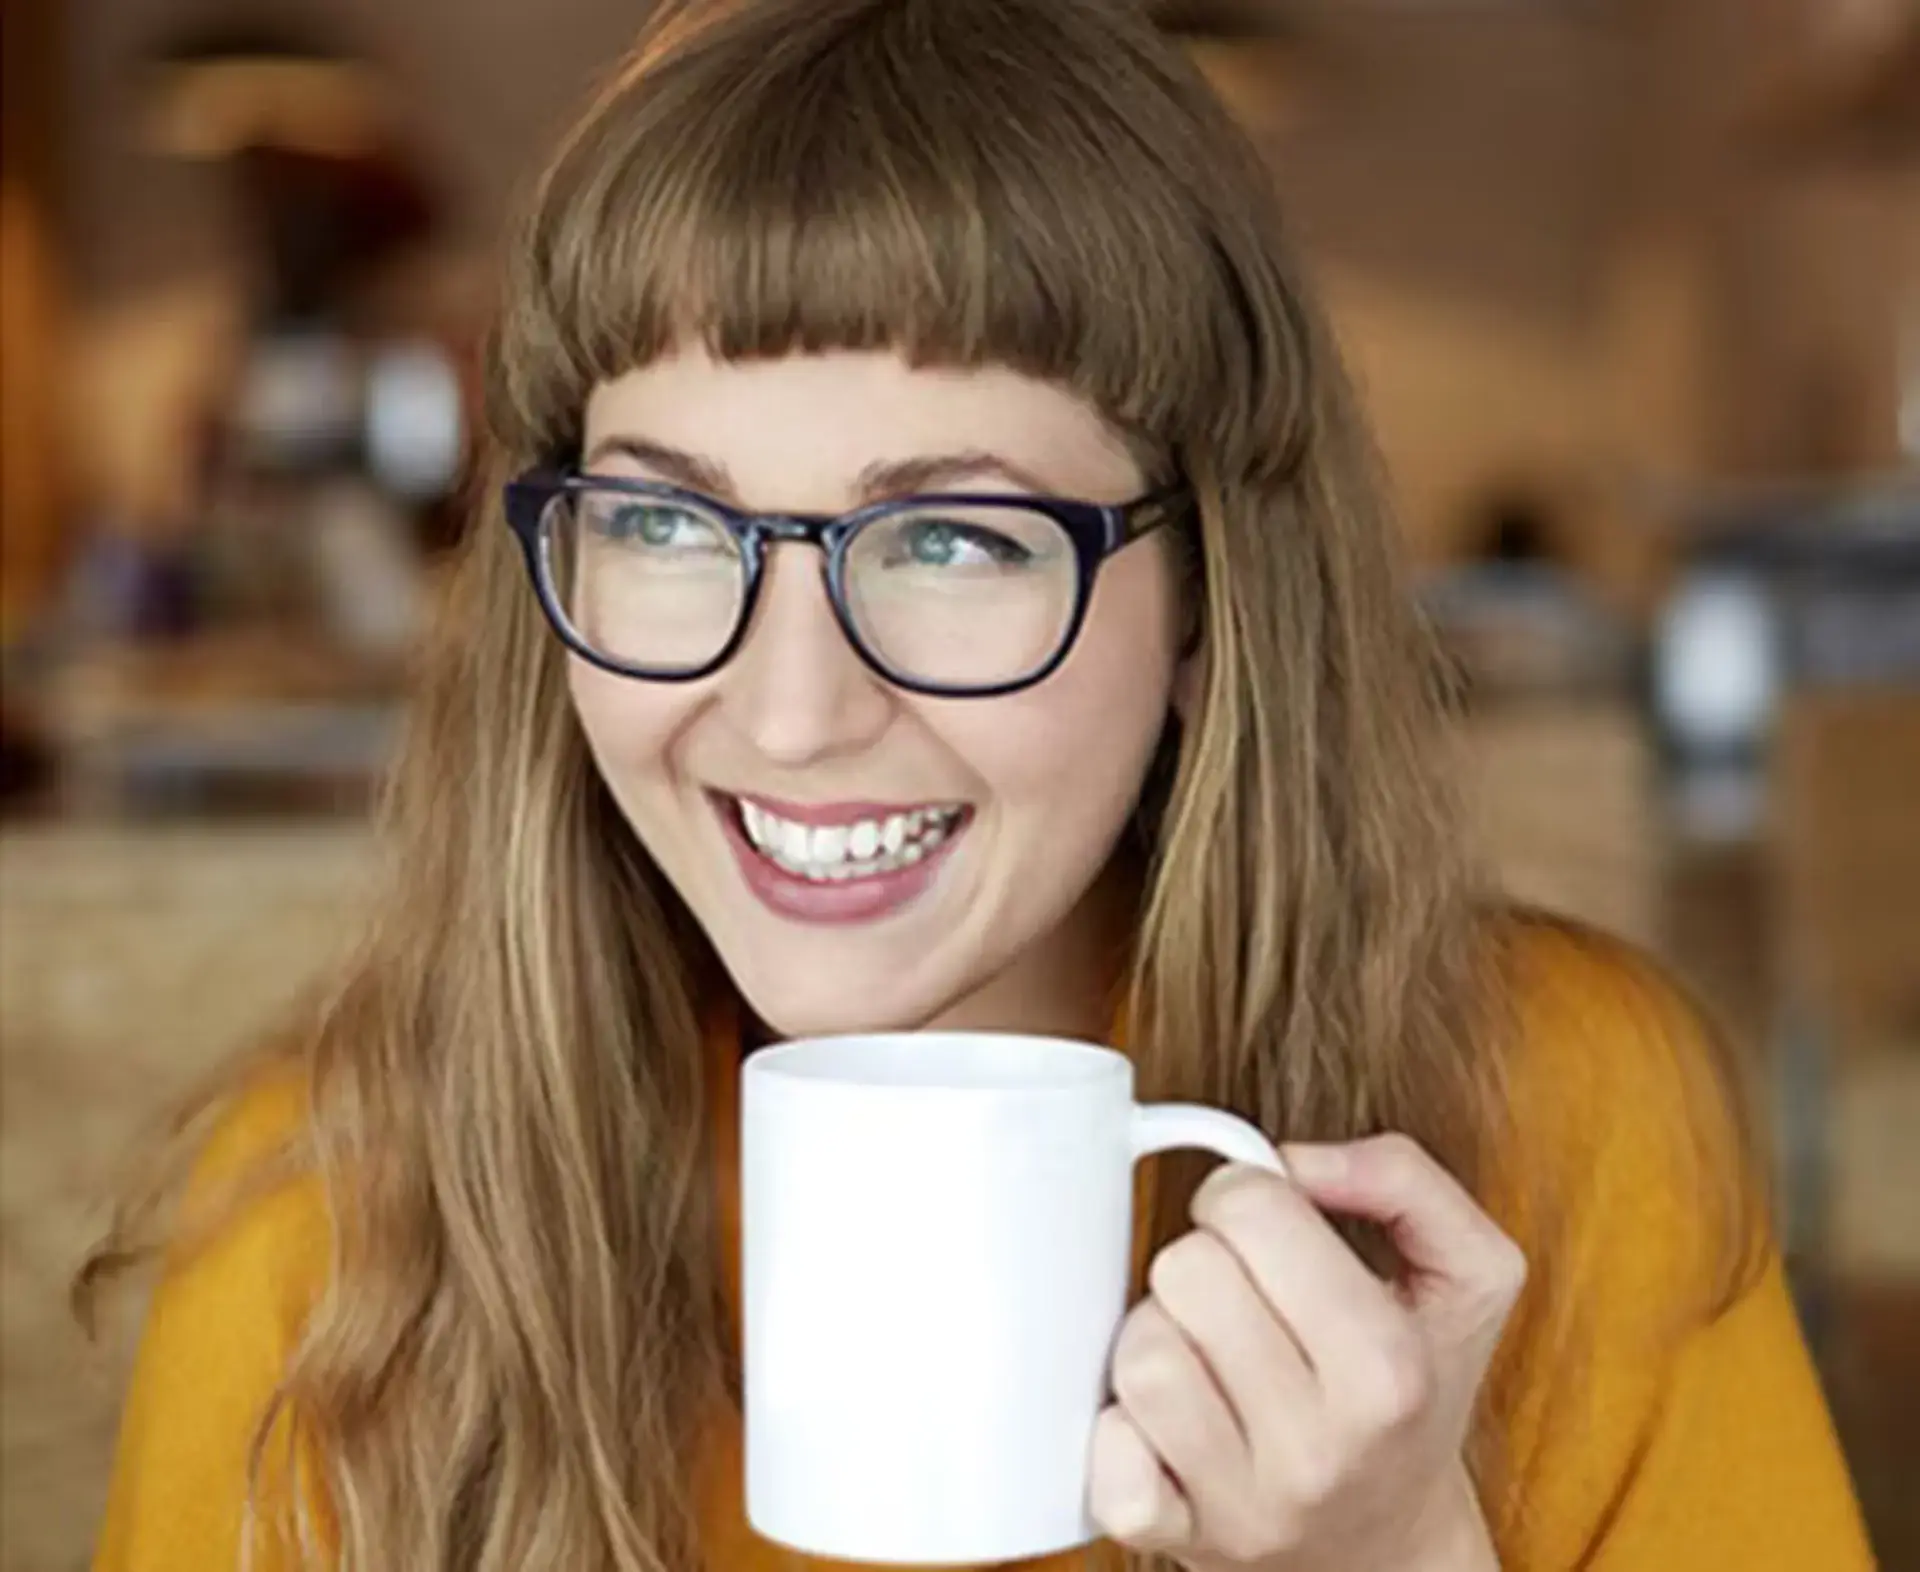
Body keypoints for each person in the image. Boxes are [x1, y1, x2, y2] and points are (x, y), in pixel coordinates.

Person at [82, 1, 1872, 1568]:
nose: (790, 714)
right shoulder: (329, 1228)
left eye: (951, 540)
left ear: (1210, 604)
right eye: (667, 525)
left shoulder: (1567, 1119)